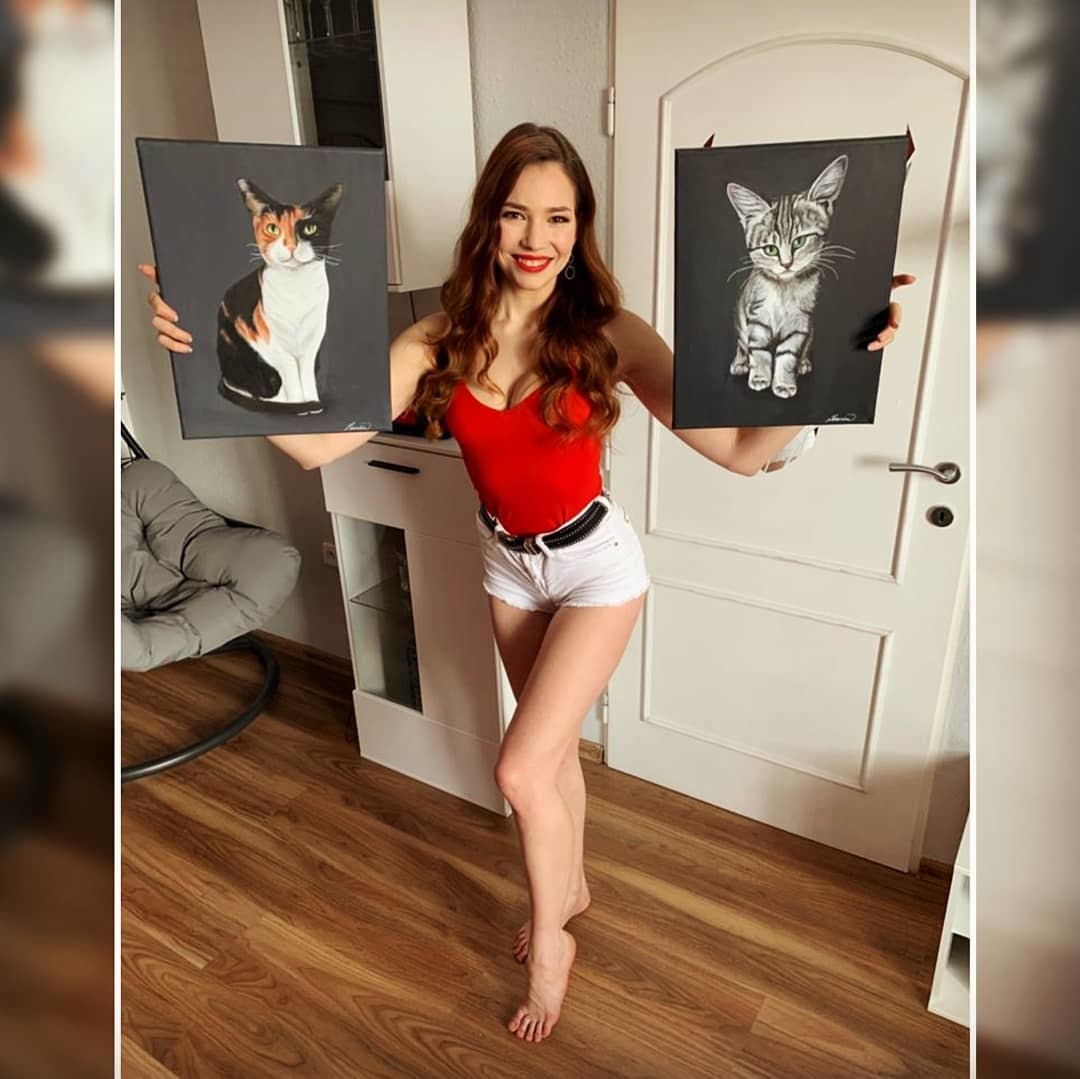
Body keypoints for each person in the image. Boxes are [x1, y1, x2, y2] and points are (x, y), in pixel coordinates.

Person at [140, 122, 912, 1044]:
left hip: (594, 568)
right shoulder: (439, 337)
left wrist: (835, 362)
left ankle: (552, 946)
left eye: (558, 216)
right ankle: (571, 885)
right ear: (489, 222)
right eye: (516, 214)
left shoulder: (609, 334)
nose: (536, 237)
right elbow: (318, 445)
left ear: (580, 227)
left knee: (516, 768)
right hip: (506, 563)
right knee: (552, 759)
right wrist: (206, 361)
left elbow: (743, 452)